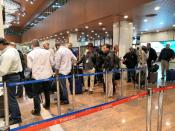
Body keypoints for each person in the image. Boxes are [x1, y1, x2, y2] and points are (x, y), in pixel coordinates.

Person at [27, 39, 54, 115]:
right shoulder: (47, 52)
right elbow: (52, 63)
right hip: (47, 75)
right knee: (46, 91)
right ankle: (47, 105)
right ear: (39, 44)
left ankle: (37, 110)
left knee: (36, 93)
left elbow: (29, 66)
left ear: (32, 45)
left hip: (37, 76)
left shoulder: (30, 54)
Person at [0, 38, 22, 125]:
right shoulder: (12, 50)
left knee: (11, 98)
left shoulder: (7, 54)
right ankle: (14, 115)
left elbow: (3, 70)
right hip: (13, 76)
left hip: (10, 76)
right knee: (11, 98)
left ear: (1, 44)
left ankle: (16, 117)